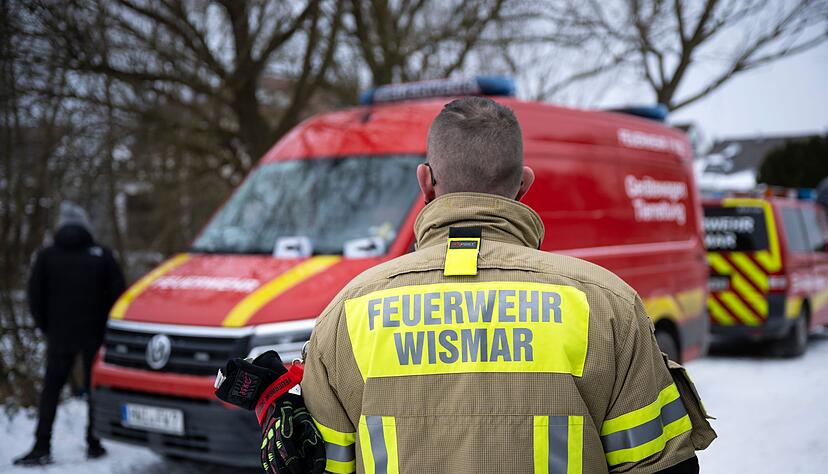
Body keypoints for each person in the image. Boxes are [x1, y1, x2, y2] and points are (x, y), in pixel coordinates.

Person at [298, 97, 716, 473]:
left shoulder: (347, 314)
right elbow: (660, 466)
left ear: (425, 181)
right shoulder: (607, 306)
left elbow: (322, 465)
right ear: (524, 184)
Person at [13, 202, 126, 466]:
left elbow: (35, 298)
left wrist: (48, 328)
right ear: (86, 225)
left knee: (51, 390)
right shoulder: (102, 255)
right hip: (95, 336)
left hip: (60, 335)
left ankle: (41, 445)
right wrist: (106, 331)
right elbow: (119, 296)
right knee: (94, 389)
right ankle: (94, 442)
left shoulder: (47, 256)